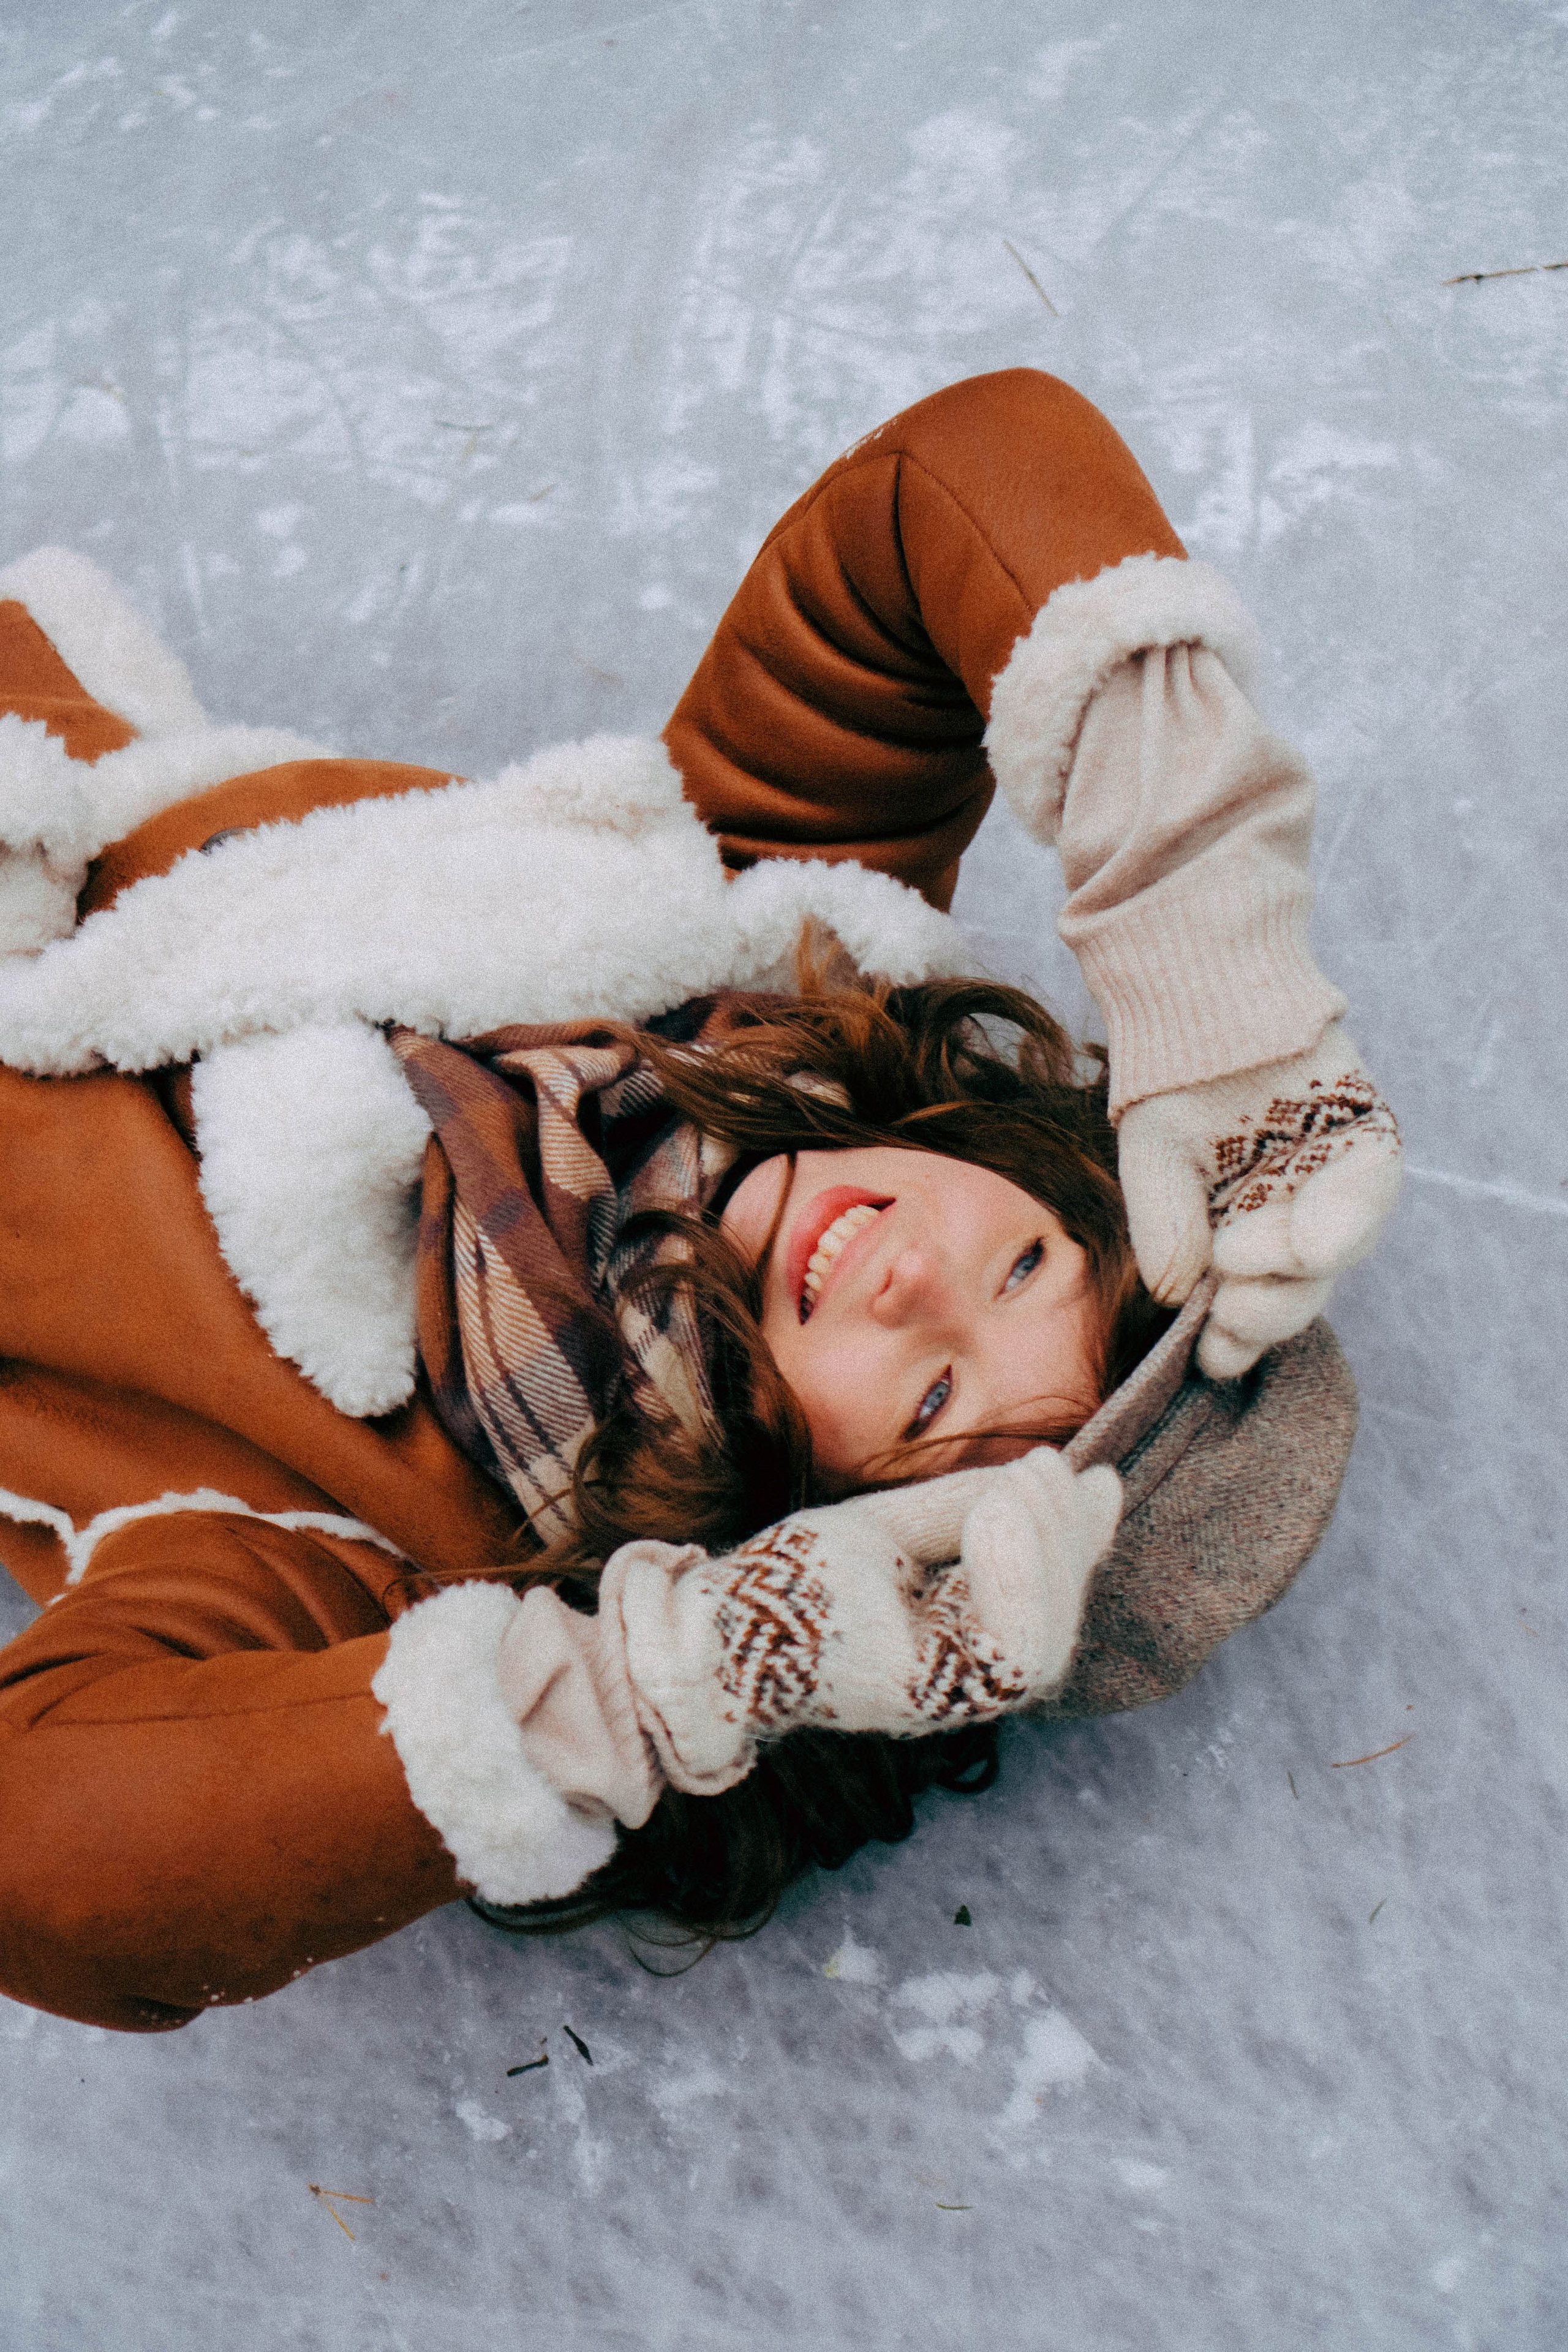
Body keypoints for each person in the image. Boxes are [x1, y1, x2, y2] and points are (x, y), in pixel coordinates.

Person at [0, 369, 1397, 2032]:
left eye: (933, 1402)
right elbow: (951, 481)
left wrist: (648, 1687)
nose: (914, 1284)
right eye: (1027, 1259)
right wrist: (1197, 912)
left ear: (801, 1530)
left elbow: (45, 1865)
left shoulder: (403, 1551)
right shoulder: (764, 932)